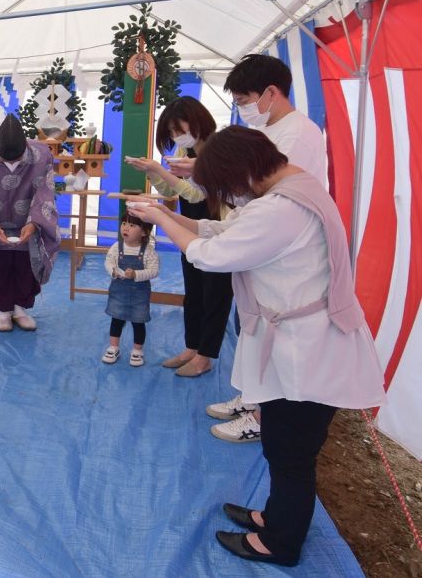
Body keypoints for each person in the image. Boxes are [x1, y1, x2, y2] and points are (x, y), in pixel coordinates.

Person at [128, 126, 385, 567]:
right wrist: (170, 213)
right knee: (283, 448)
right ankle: (275, 517)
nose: (230, 194)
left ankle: (281, 543)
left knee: (290, 455)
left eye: (227, 184)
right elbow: (220, 229)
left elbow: (211, 255)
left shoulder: (281, 209)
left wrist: (160, 219)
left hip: (309, 352)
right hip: (299, 345)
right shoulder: (292, 184)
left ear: (242, 171)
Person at [189, 55, 330, 442]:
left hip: (279, 250)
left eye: (244, 98)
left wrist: (212, 225)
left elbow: (267, 195)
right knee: (251, 327)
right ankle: (254, 399)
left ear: (271, 92)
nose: (242, 108)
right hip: (258, 239)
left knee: (270, 335)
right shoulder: (273, 129)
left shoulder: (296, 135)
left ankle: (263, 414)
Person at [125, 96, 233, 378]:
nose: (176, 136)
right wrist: (153, 172)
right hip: (189, 229)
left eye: (178, 129)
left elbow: (197, 193)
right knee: (194, 292)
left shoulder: (219, 152)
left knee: (215, 294)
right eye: (171, 133)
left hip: (217, 231)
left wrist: (160, 170)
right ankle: (192, 346)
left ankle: (205, 355)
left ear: (197, 119)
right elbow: (174, 191)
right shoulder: (187, 155)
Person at [0, 114, 61, 331]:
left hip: (28, 221)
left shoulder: (42, 155)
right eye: (5, 159)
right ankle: (2, 312)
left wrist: (35, 223)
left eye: (16, 159)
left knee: (26, 267)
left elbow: (45, 193)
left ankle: (20, 308)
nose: (11, 163)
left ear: (25, 148)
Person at [102, 213, 159, 366]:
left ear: (144, 232)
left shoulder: (148, 251)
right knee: (116, 319)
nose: (126, 228)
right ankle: (114, 347)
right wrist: (113, 271)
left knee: (138, 322)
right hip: (118, 293)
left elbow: (154, 270)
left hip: (140, 295)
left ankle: (137, 351)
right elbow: (108, 262)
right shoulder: (116, 247)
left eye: (132, 225)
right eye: (124, 224)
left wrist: (136, 274)